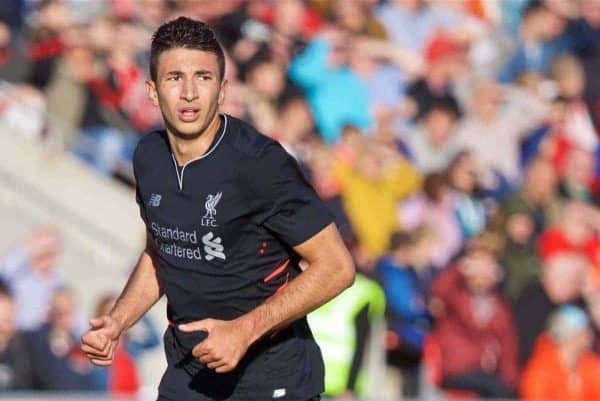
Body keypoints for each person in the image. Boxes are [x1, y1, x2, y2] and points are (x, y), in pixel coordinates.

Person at [81, 17, 355, 401]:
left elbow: (337, 267)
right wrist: (118, 321)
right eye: (175, 77)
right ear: (153, 91)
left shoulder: (260, 163)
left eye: (204, 78)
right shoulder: (148, 157)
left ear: (223, 89)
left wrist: (243, 330)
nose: (189, 92)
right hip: (189, 373)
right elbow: (163, 250)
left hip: (272, 376)